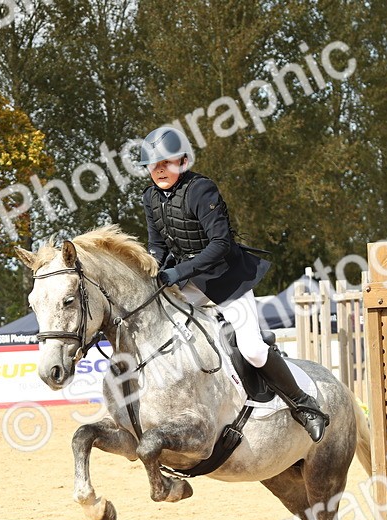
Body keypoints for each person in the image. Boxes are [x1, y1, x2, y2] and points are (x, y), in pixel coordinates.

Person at [138, 126, 328, 441]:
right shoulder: (150, 198)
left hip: (226, 281)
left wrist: (180, 271)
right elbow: (157, 246)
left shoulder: (201, 189)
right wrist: (153, 269)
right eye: (153, 165)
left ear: (183, 161)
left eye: (166, 163)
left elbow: (221, 244)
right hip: (187, 287)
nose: (159, 170)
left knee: (252, 349)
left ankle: (305, 405)